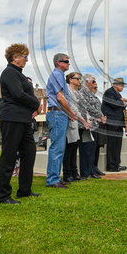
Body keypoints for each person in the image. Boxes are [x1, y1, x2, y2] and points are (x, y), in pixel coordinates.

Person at [0, 43, 42, 204]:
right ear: (15, 57)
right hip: (12, 118)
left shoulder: (19, 74)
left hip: (24, 120)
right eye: (24, 57)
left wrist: (33, 107)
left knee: (29, 152)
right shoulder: (9, 72)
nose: (26, 61)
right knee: (8, 156)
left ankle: (24, 190)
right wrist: (37, 104)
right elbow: (18, 94)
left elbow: (24, 94)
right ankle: (3, 195)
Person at [46, 53, 78, 189]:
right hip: (57, 114)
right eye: (66, 61)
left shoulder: (58, 76)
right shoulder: (58, 74)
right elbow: (60, 97)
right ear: (59, 63)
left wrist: (68, 114)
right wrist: (70, 112)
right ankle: (53, 180)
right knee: (57, 148)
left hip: (60, 114)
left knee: (60, 148)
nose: (68, 64)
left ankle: (56, 178)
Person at [62, 72, 91, 182]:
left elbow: (85, 107)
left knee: (75, 149)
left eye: (80, 79)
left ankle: (75, 173)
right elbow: (72, 108)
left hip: (80, 124)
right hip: (73, 122)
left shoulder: (78, 93)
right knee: (69, 149)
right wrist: (84, 121)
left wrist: (87, 118)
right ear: (70, 79)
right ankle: (67, 174)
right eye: (77, 79)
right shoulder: (67, 91)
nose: (80, 81)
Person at [77, 74, 106, 179]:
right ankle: (85, 173)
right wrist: (100, 115)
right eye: (93, 81)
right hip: (87, 125)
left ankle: (92, 171)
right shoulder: (82, 93)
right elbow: (86, 107)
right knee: (86, 150)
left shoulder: (92, 94)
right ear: (87, 82)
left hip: (95, 124)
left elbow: (98, 106)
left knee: (92, 149)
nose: (95, 83)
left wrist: (101, 116)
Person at [102, 78, 127, 172]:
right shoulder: (109, 92)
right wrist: (122, 101)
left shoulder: (118, 94)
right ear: (116, 84)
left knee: (118, 144)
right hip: (112, 121)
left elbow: (123, 105)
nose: (123, 87)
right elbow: (113, 104)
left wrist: (122, 102)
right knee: (112, 144)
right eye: (122, 85)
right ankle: (111, 165)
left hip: (119, 123)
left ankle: (117, 163)